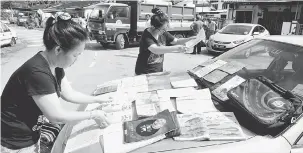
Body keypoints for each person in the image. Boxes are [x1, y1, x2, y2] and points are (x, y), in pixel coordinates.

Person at [1, 12, 112, 153]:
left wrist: (98, 99)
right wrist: (94, 114)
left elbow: (69, 93)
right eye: (75, 55)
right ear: (58, 49)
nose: (76, 60)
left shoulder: (55, 66)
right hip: (14, 142)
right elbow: (56, 116)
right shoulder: (37, 72)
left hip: (31, 134)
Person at [135, 8, 196, 75]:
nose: (165, 30)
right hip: (143, 72)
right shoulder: (146, 34)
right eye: (163, 29)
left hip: (158, 71)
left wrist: (190, 39)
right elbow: (155, 49)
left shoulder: (163, 33)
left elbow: (176, 41)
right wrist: (177, 48)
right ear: (154, 27)